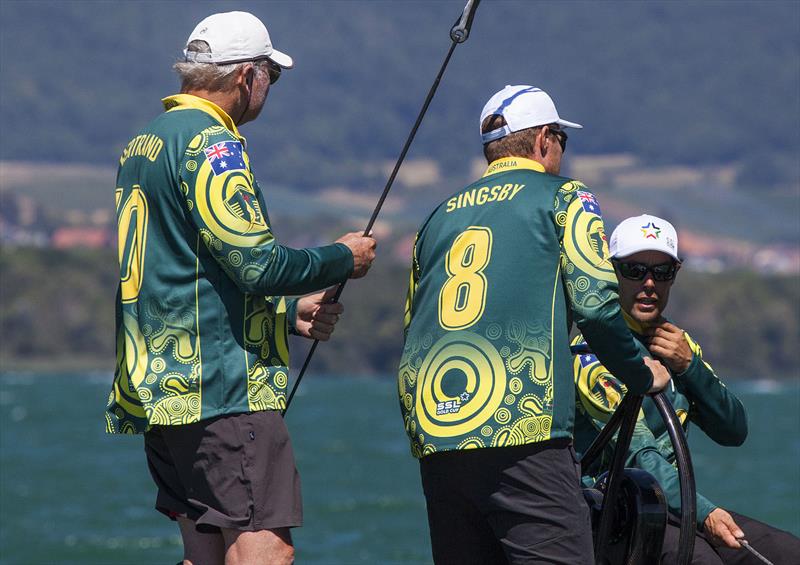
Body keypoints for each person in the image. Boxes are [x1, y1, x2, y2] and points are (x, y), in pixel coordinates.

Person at [105, 11, 376, 565]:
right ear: (246, 77)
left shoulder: (142, 145)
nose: (269, 91)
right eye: (270, 78)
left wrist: (282, 316)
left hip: (160, 391)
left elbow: (181, 273)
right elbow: (256, 267)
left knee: (202, 554)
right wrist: (341, 258)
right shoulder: (212, 144)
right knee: (266, 551)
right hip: (222, 393)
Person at [397, 85, 671, 565]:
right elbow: (595, 306)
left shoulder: (435, 218)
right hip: (523, 427)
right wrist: (641, 373)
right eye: (562, 138)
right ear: (544, 139)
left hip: (436, 430)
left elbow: (411, 322)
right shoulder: (565, 196)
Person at [572, 214, 800, 564]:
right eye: (635, 270)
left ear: (674, 275)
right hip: (614, 514)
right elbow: (639, 455)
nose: (649, 283)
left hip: (673, 505)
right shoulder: (593, 352)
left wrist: (690, 367)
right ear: (613, 273)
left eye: (661, 272)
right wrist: (706, 513)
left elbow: (733, 429)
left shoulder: (679, 344)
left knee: (785, 551)